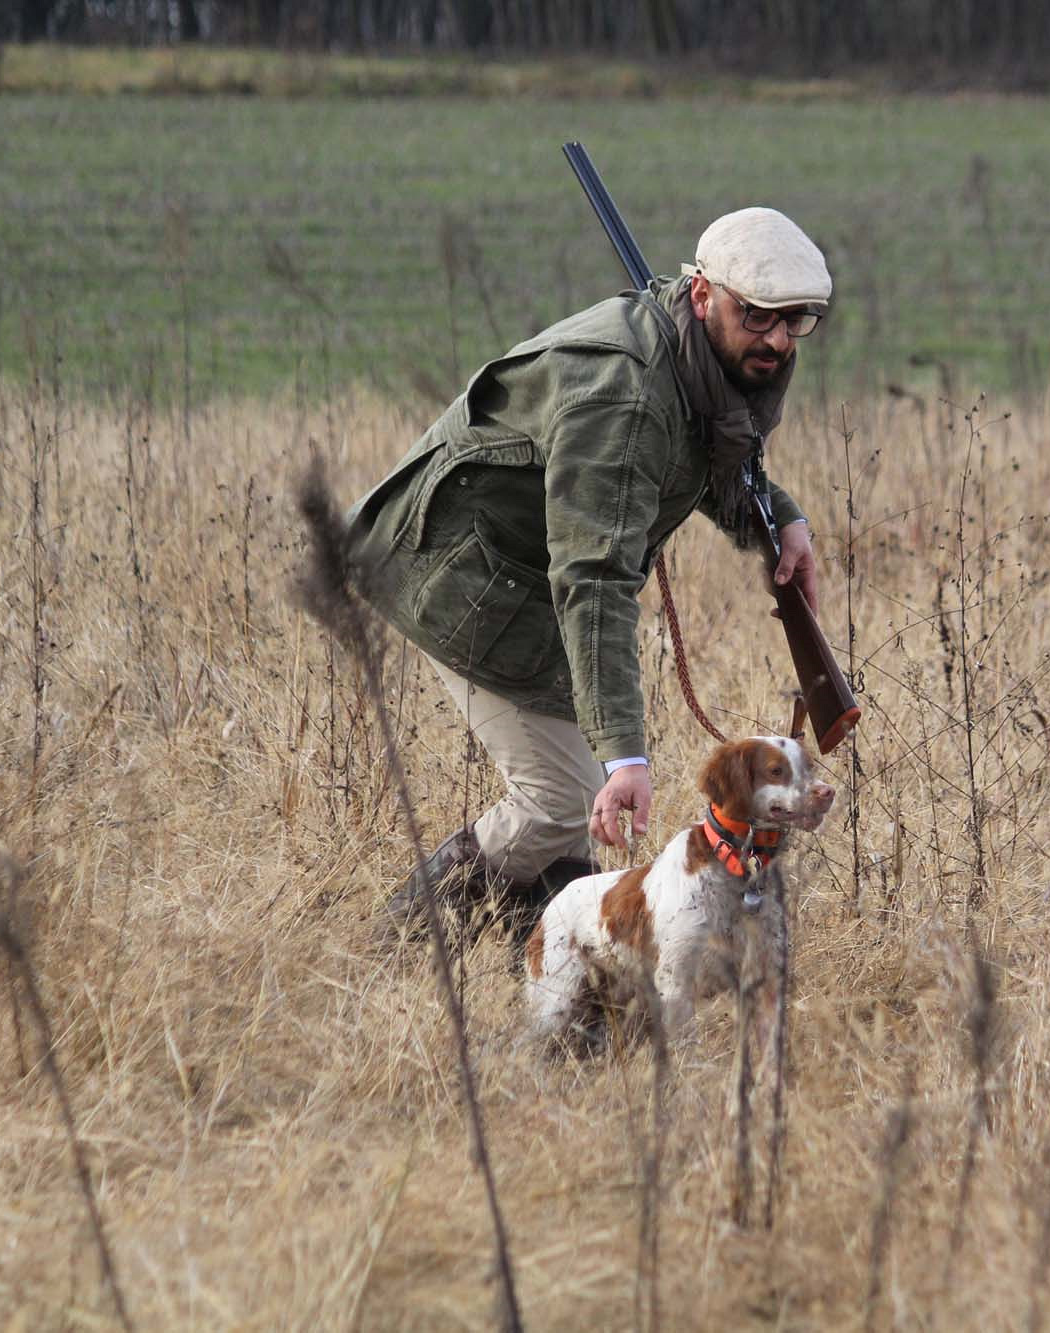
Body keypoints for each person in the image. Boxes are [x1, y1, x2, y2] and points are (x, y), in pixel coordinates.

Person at [345, 206, 830, 932]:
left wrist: (779, 516)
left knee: (572, 793)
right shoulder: (624, 392)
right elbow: (594, 573)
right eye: (758, 315)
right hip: (454, 571)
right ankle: (397, 944)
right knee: (561, 796)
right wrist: (625, 754)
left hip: (523, 571)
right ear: (702, 295)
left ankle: (547, 981)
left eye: (796, 320)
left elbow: (709, 448)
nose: (779, 339)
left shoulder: (708, 354)